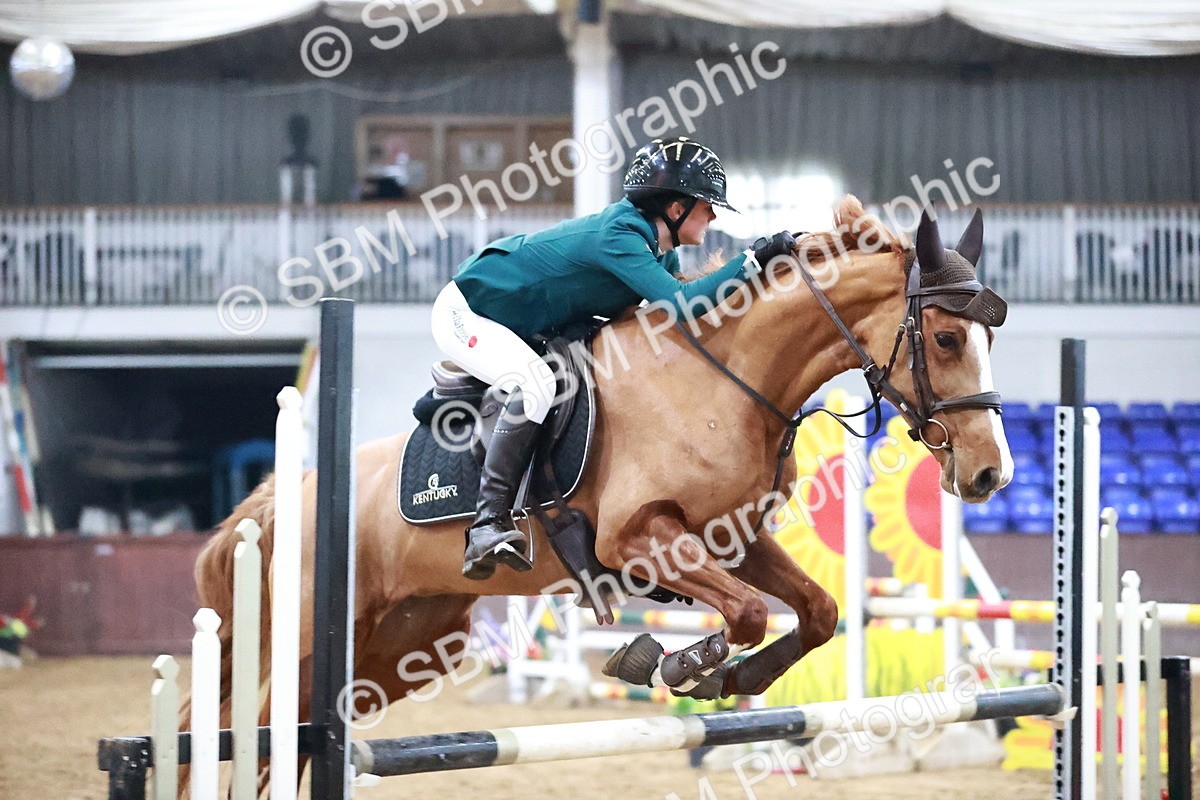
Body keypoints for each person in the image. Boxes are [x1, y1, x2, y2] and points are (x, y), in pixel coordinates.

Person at [430, 135, 796, 580]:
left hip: (517, 320)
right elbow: (683, 304)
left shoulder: (658, 251)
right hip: (467, 312)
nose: (714, 215)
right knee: (537, 384)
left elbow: (679, 311)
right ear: (675, 208)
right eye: (706, 205)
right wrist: (753, 260)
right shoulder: (620, 235)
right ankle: (488, 523)